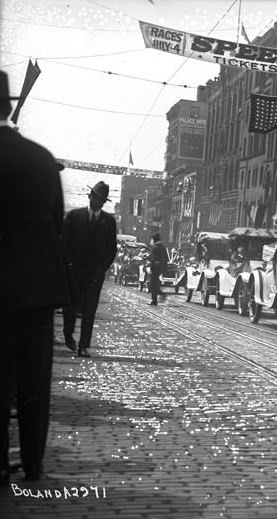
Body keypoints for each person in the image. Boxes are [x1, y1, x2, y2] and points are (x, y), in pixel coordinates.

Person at [0, 70, 73, 485]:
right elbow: (57, 222)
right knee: (34, 380)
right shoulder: (41, 158)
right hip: (40, 285)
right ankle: (33, 462)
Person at [61, 180, 117, 357]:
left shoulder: (109, 221)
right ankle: (68, 335)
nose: (97, 201)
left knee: (90, 308)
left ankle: (84, 345)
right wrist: (68, 264)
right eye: (95, 197)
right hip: (74, 270)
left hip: (94, 272)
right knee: (70, 306)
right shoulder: (74, 216)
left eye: (101, 199)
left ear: (104, 202)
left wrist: (102, 268)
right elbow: (64, 243)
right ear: (89, 196)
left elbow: (112, 248)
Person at [149, 233, 168, 305]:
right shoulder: (163, 247)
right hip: (161, 269)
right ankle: (155, 300)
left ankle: (157, 298)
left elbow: (153, 259)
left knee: (152, 285)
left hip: (154, 269)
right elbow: (166, 258)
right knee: (154, 284)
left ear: (154, 240)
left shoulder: (155, 248)